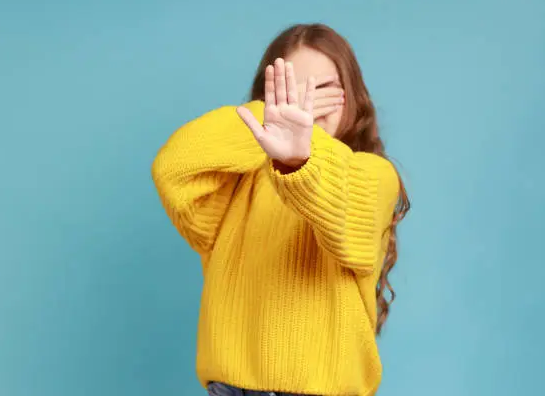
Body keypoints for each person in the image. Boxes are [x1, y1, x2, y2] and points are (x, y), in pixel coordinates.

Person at [151, 23, 410, 396]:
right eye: (292, 88)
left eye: (323, 89)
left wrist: (301, 151)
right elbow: (174, 167)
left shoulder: (372, 175)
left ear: (352, 96)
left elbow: (340, 205)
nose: (304, 105)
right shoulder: (236, 184)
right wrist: (268, 121)